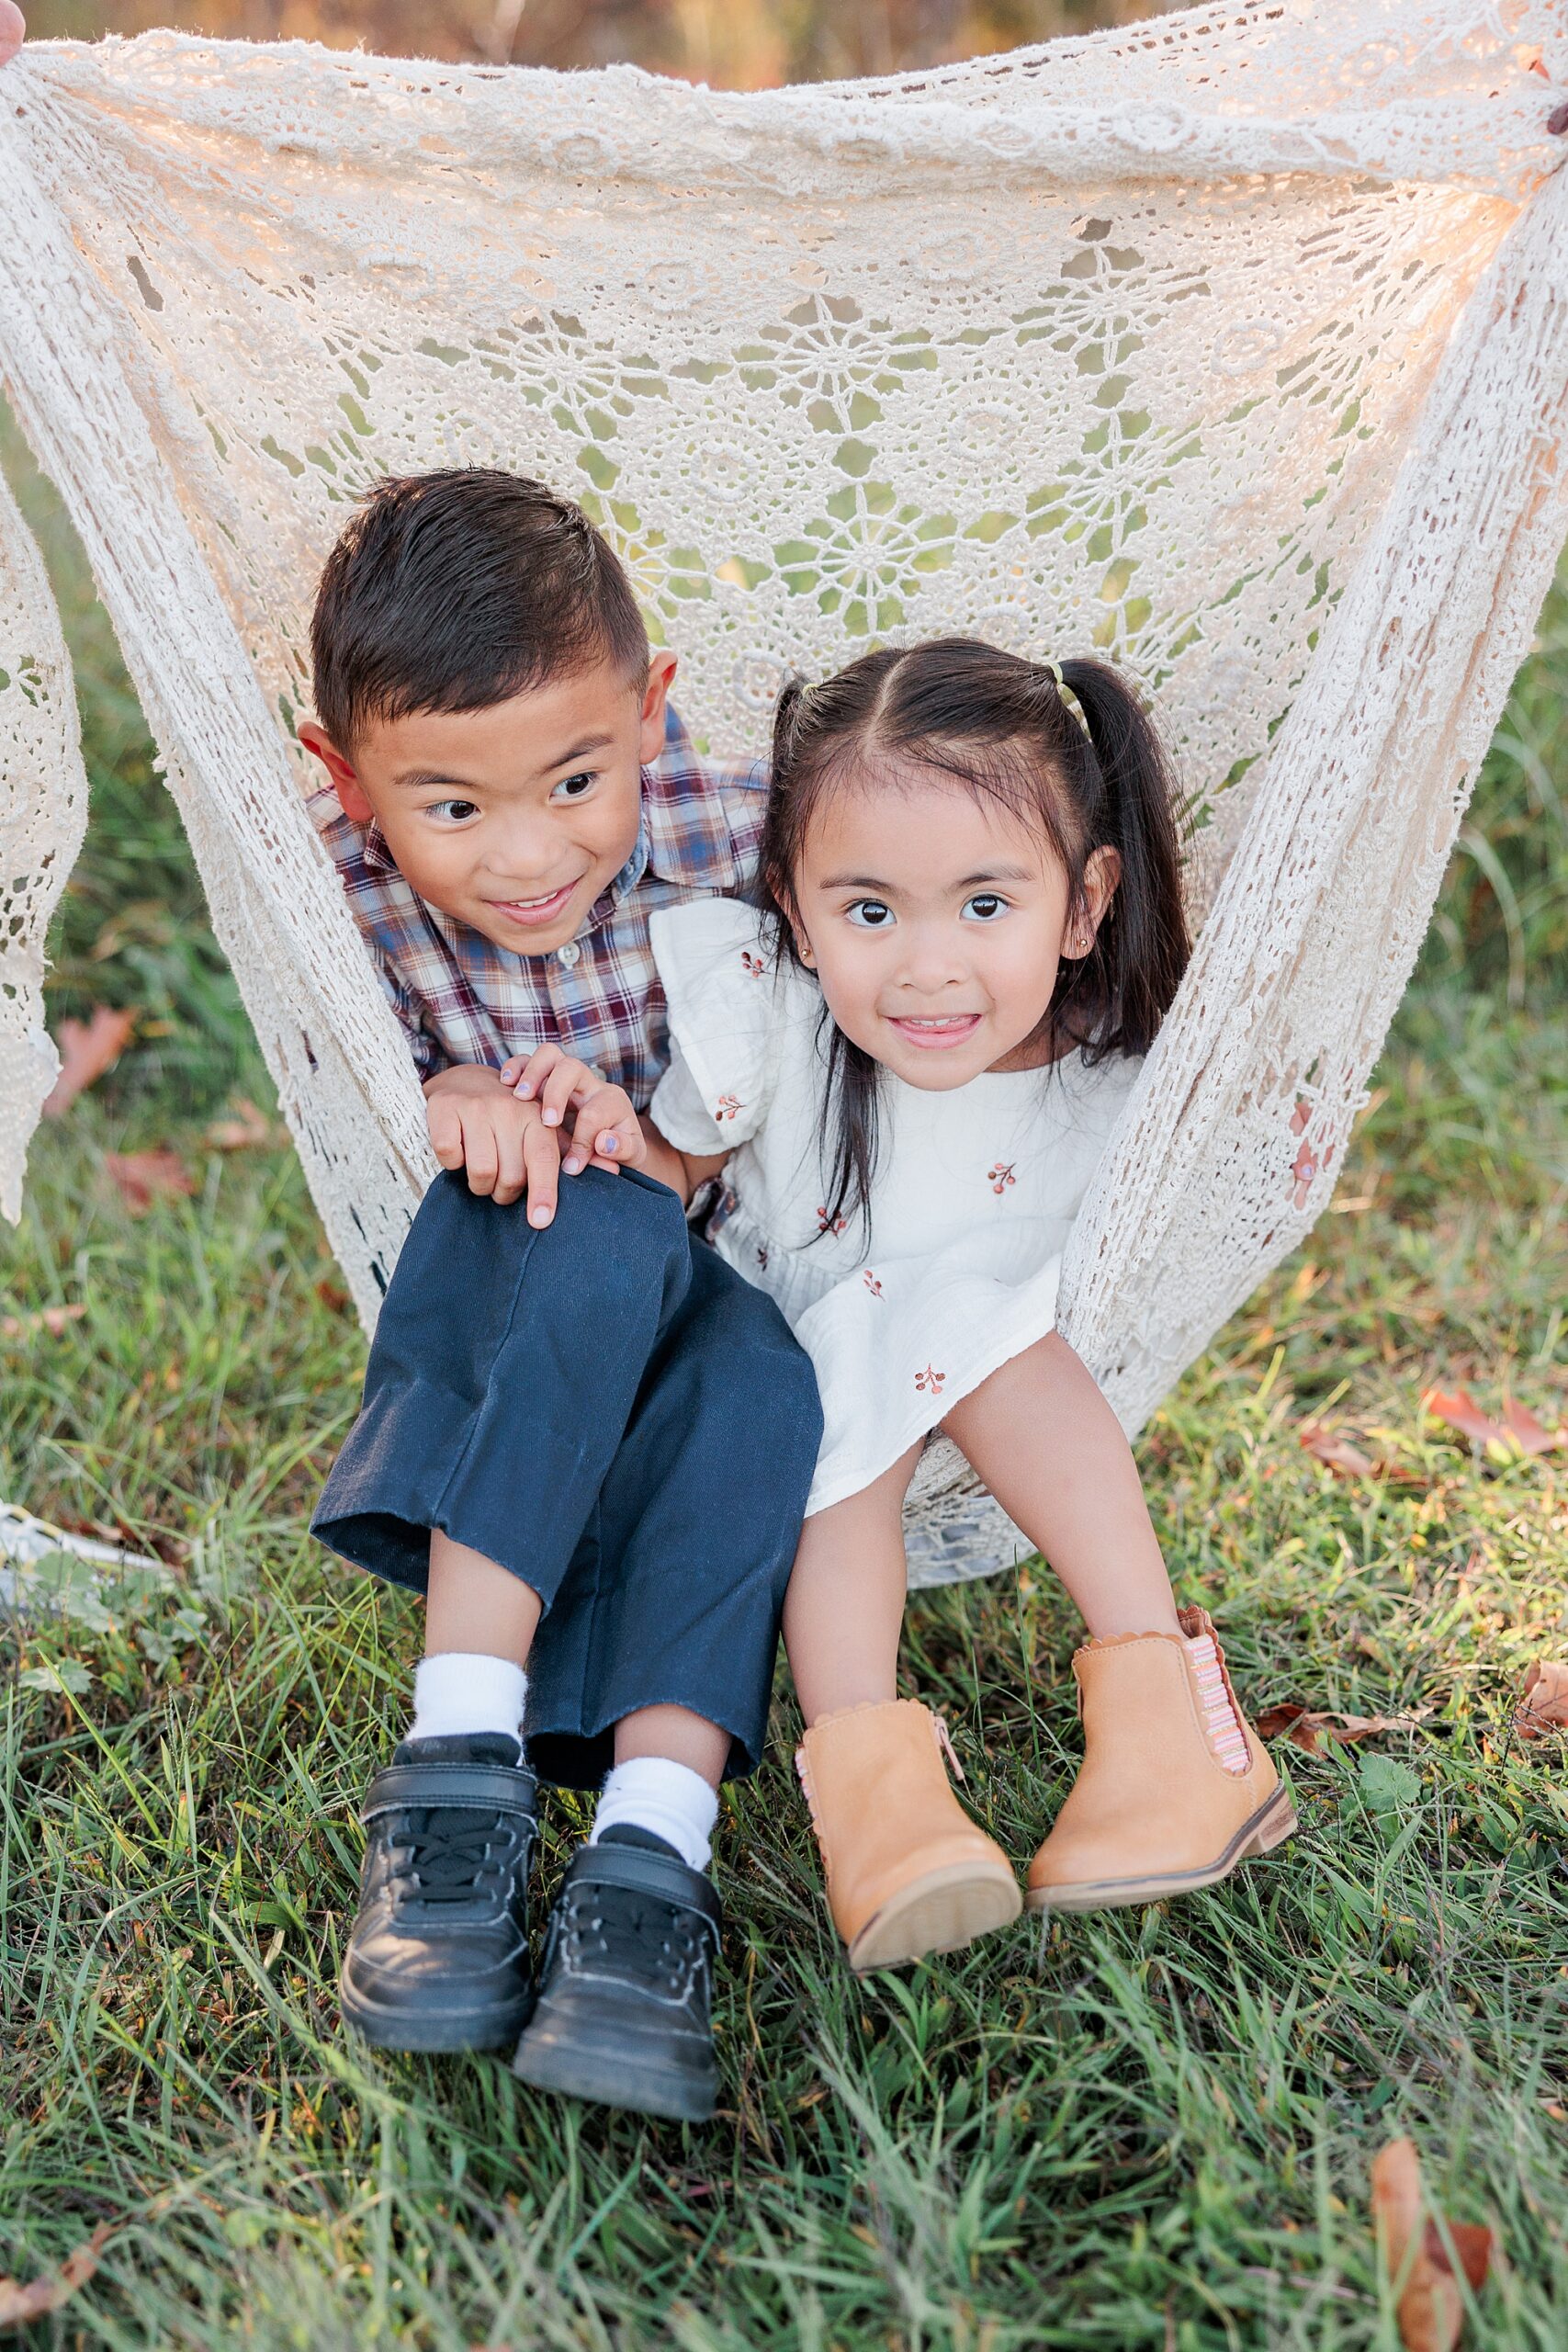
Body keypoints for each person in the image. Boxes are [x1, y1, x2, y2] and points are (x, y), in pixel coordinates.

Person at [512, 638, 1293, 1975]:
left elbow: (1236, 1168)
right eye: (870, 912)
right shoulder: (778, 1023)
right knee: (832, 1381)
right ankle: (882, 1803)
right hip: (802, 1413)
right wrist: (591, 1123)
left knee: (943, 1318)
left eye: (986, 904)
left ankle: (1167, 1727)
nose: (927, 969)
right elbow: (670, 1164)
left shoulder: (1120, 1092)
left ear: (1085, 901)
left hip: (1016, 1378)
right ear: (796, 911)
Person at [299, 470, 821, 2120]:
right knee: (585, 1221)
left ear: (652, 715)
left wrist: (666, 1154)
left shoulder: (755, 829)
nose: (528, 858)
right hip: (512, 1273)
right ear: (348, 778)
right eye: (451, 805)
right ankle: (457, 1773)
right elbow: (393, 1075)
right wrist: (442, 1097)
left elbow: (859, 1005)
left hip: (701, 1280)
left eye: (578, 781)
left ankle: (644, 1869)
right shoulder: (338, 892)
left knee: (772, 1389)